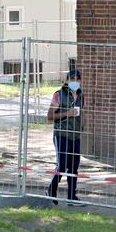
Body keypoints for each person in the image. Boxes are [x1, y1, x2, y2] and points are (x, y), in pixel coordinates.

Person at [46, 69, 85, 207]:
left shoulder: (81, 96)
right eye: (72, 79)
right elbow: (49, 116)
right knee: (62, 165)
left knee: (74, 167)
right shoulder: (59, 95)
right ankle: (51, 189)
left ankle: (71, 197)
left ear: (80, 81)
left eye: (77, 79)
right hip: (62, 134)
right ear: (67, 80)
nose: (75, 81)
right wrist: (67, 113)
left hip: (75, 136)